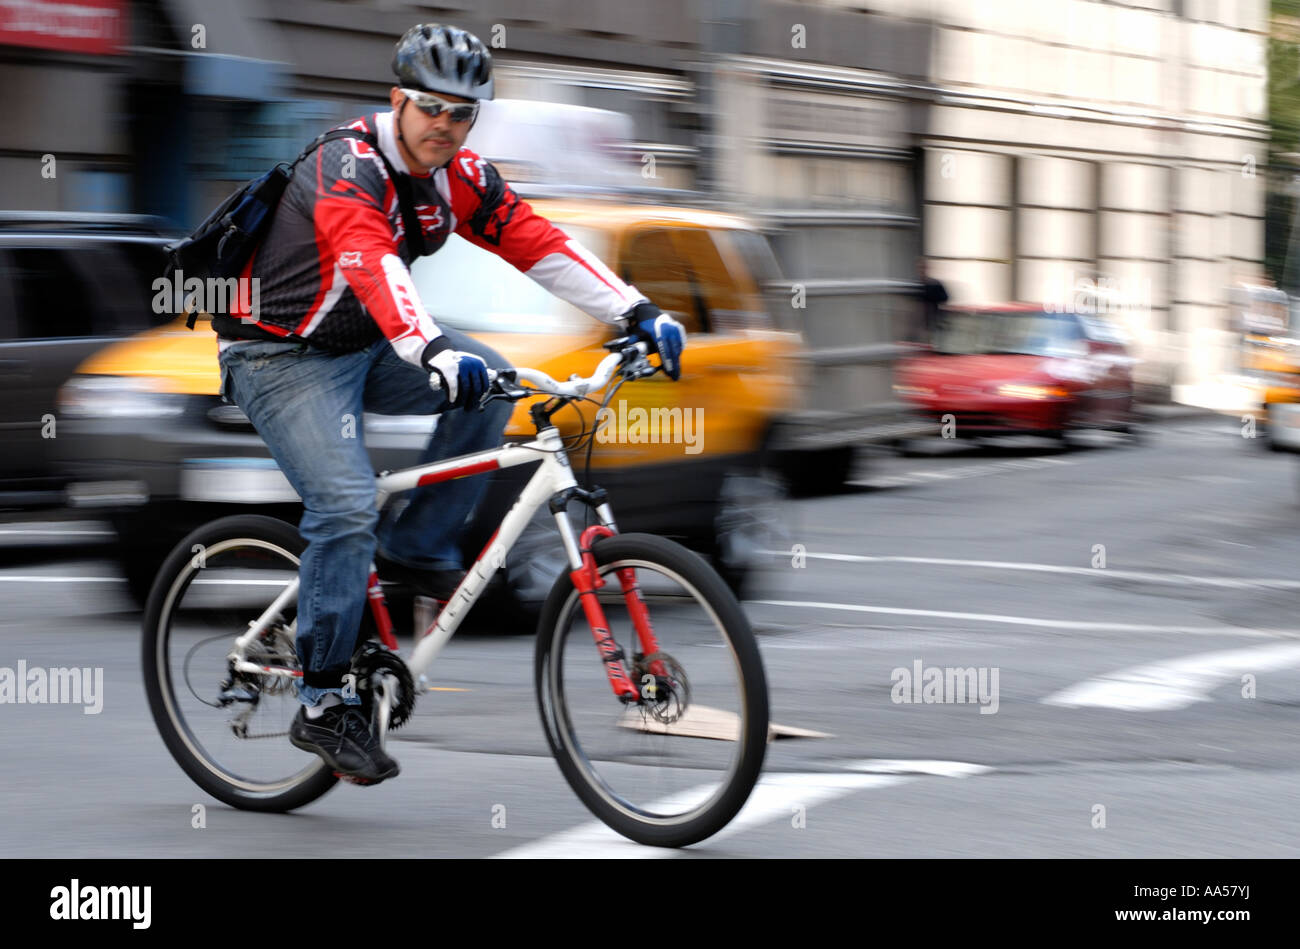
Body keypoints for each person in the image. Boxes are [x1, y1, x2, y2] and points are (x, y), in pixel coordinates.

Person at [215, 23, 685, 785]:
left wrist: (637, 310)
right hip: (279, 355)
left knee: (493, 378)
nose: (445, 123)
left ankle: (420, 546)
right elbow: (368, 261)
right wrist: (430, 348)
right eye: (431, 106)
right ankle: (323, 700)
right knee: (341, 507)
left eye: (462, 113)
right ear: (399, 101)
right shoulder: (348, 163)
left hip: (362, 343)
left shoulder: (459, 175)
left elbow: (535, 241)